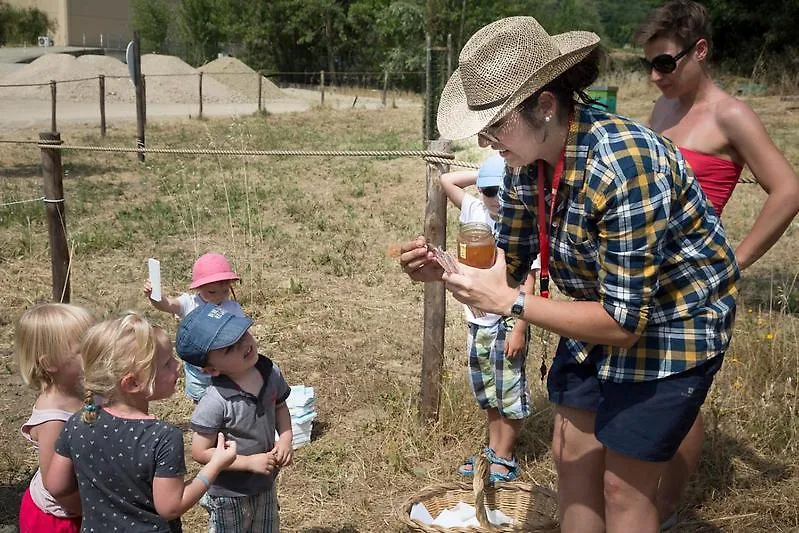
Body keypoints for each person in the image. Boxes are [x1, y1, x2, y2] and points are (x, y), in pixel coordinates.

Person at [398, 16, 739, 533]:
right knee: (570, 457)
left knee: (624, 491)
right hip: (597, 308)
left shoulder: (622, 165)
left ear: (546, 105)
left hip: (675, 324)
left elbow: (625, 323)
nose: (487, 140)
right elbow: (507, 265)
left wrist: (512, 305)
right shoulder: (523, 163)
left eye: (497, 122)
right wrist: (445, 271)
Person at [635, 1, 799, 525]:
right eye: (649, 65)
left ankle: (663, 508)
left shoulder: (731, 113)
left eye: (665, 63)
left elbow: (788, 189)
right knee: (644, 384)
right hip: (644, 275)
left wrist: (737, 259)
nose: (655, 75)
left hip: (692, 284)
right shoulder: (663, 106)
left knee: (678, 396)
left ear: (699, 51)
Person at [46, 312, 237, 532]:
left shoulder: (79, 422)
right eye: (166, 364)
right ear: (132, 383)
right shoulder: (162, 437)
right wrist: (215, 466)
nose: (177, 366)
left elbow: (56, 485)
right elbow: (171, 507)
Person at [441, 154, 539, 482]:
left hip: (508, 319)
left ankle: (505, 456)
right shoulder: (475, 211)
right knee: (487, 389)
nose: (494, 198)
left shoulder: (522, 221)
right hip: (477, 321)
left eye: (502, 190)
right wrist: (485, 174)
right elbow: (446, 181)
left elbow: (530, 279)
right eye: (488, 191)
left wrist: (521, 327)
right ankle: (493, 449)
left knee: (508, 387)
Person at [175, 303, 293, 533]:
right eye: (229, 348)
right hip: (229, 493)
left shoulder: (270, 372)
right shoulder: (215, 400)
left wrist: (286, 438)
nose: (243, 345)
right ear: (211, 370)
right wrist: (248, 462)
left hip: (265, 482)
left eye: (242, 334)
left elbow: (280, 406)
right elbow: (200, 452)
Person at [15, 303, 94, 533]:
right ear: (50, 363)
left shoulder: (79, 389)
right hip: (58, 518)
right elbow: (56, 487)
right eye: (83, 350)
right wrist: (95, 509)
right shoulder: (53, 420)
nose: (95, 354)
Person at [145, 252, 244, 402]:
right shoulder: (189, 303)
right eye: (212, 291)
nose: (219, 296)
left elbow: (242, 333)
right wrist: (155, 296)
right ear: (198, 287)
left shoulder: (232, 308)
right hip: (197, 369)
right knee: (201, 402)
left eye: (225, 291)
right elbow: (168, 305)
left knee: (228, 399)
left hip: (224, 367)